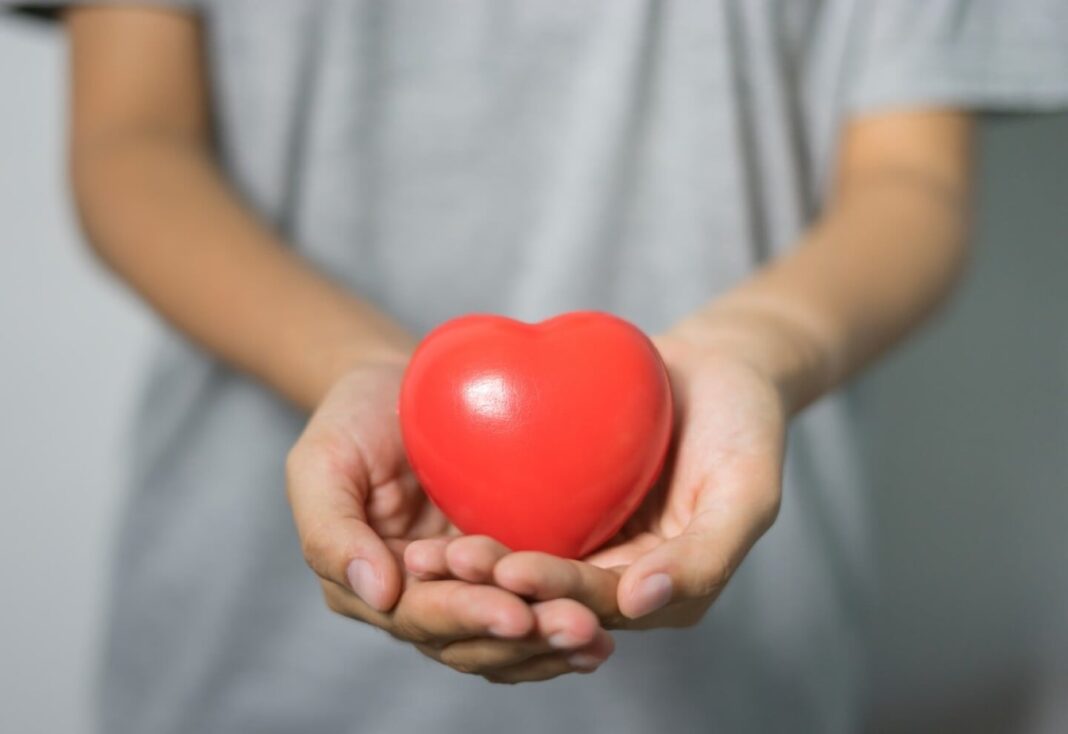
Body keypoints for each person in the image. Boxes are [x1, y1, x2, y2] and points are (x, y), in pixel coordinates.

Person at [7, 1, 1067, 732]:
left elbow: (913, 189)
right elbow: (131, 146)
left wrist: (749, 346)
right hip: (246, 654)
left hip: (743, 667)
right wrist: (366, 369)